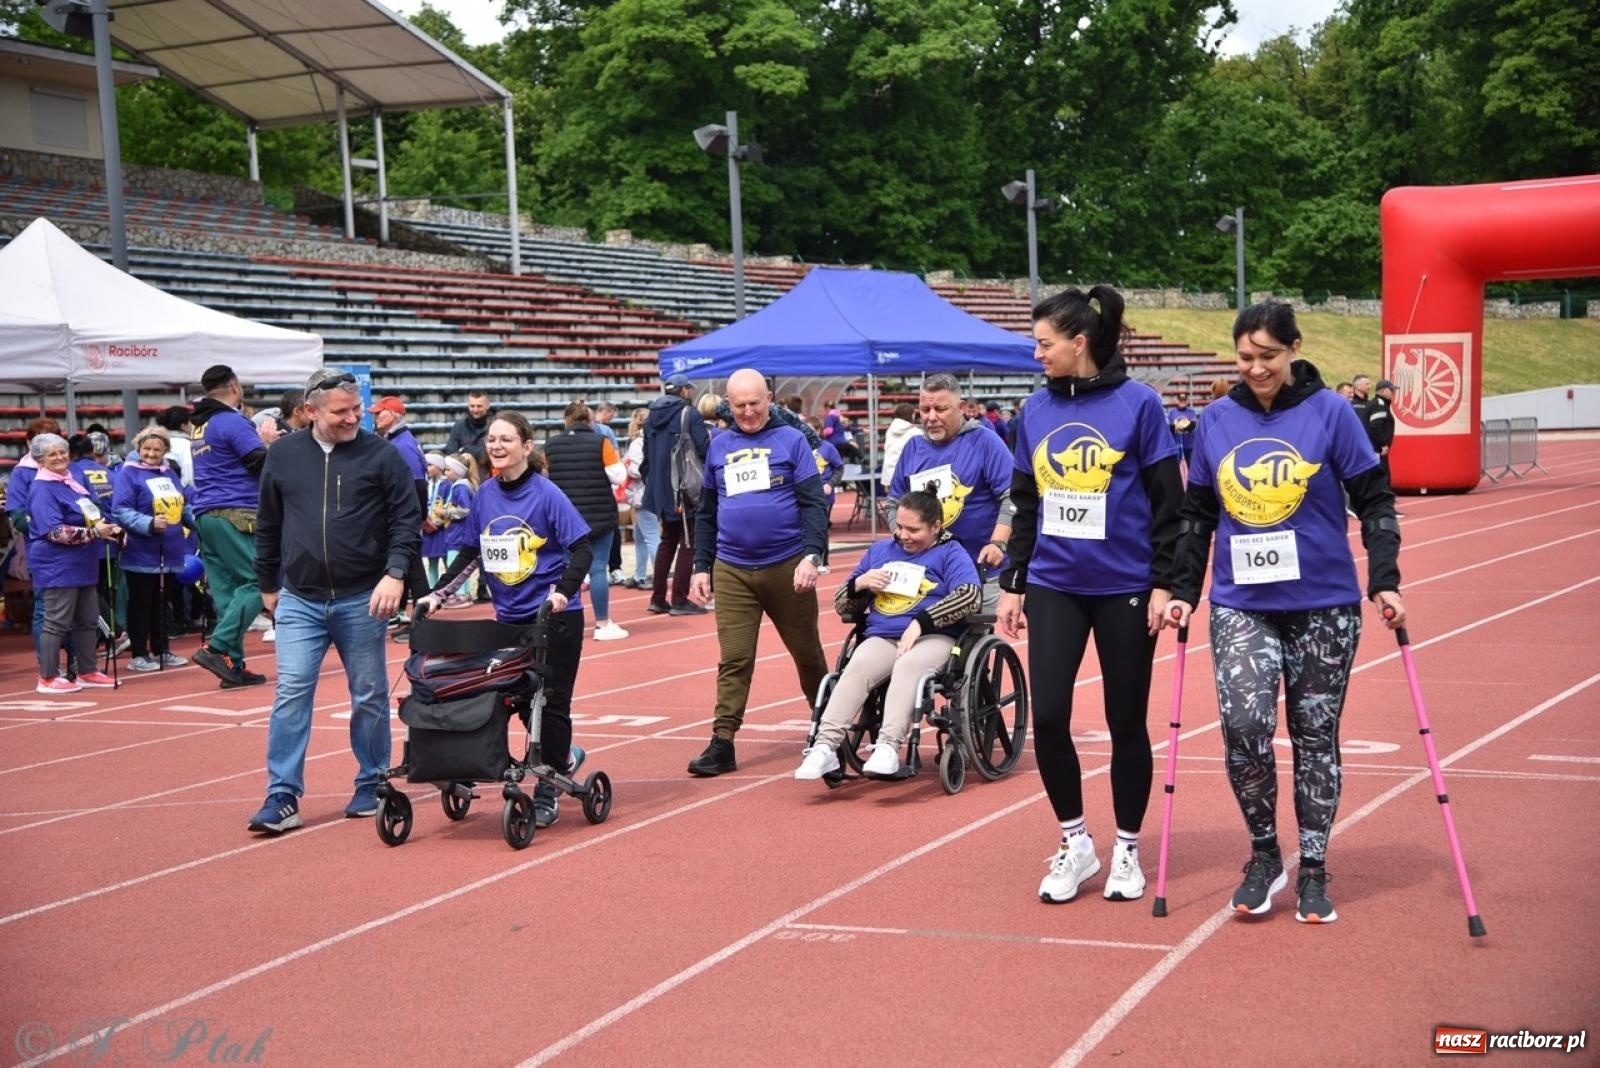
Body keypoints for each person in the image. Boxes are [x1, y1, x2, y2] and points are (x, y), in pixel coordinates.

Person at [1167, 301, 1404, 924]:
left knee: (1313, 736)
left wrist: (1385, 579)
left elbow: (1375, 500)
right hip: (1242, 603)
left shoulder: (1331, 414)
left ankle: (1316, 864)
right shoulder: (1216, 420)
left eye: (1267, 357)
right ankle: (1265, 853)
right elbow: (1196, 515)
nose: (1255, 369)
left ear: (1293, 349)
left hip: (1323, 605)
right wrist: (1181, 592)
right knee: (1244, 727)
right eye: (1245, 358)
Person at [997, 285, 1183, 906]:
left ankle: (1128, 847)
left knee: (1124, 719)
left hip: (1126, 587)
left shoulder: (1139, 405)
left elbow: (1168, 503)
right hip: (1054, 583)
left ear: (1079, 344)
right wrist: (1013, 581)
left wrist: (1165, 581)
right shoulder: (1034, 412)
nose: (1037, 355)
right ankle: (1077, 842)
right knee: (1047, 716)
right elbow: (1027, 503)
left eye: (1045, 345)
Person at [246, 369, 423, 834]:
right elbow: (268, 520)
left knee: (368, 694)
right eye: (340, 412)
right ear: (310, 412)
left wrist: (395, 574)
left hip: (363, 596)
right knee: (291, 693)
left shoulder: (380, 454)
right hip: (300, 598)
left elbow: (407, 518)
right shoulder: (283, 455)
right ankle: (282, 795)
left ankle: (371, 781)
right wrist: (267, 582)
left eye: (356, 409)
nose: (352, 418)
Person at [419, 412, 594, 828]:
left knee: (549, 703)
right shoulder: (484, 496)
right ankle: (564, 757)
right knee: (513, 698)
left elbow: (582, 548)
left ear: (527, 447)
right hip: (509, 618)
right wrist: (437, 593)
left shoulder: (547, 494)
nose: (497, 446)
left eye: (507, 440)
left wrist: (561, 592)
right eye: (493, 440)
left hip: (556, 618)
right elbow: (471, 553)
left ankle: (548, 784)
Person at [686, 368, 830, 777]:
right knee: (734, 658)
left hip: (787, 566)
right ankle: (723, 741)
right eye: (739, 405)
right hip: (732, 569)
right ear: (726, 405)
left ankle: (827, 729)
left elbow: (813, 505)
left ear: (769, 398)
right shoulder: (717, 446)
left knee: (807, 654)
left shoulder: (792, 440)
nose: (748, 412)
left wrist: (812, 556)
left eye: (755, 403)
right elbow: (707, 512)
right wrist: (701, 565)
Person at [795, 490, 981, 780]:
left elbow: (969, 595)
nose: (904, 535)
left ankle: (888, 746)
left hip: (932, 637)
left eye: (913, 529)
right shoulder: (880, 552)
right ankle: (824, 747)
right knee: (857, 666)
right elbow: (841, 603)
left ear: (935, 527)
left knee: (908, 666)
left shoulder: (950, 552)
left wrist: (922, 621)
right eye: (900, 527)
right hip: (883, 636)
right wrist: (860, 584)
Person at [888, 374, 1014, 611]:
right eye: (925, 409)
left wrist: (998, 544)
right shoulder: (913, 447)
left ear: (961, 408)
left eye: (940, 409)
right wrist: (899, 532)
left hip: (979, 570)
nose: (931, 417)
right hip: (926, 571)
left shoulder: (985, 442)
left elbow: (1012, 496)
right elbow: (894, 499)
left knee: (971, 641)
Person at [189, 364, 269, 688]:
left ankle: (231, 664)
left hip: (206, 514)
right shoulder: (233, 421)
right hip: (236, 512)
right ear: (235, 386)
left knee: (227, 592)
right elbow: (258, 462)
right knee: (257, 581)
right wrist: (269, 444)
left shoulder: (200, 426)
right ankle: (218, 647)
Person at [25, 433, 121, 693]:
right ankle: (47, 677)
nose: (59, 457)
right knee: (56, 622)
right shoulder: (42, 488)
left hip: (83, 562)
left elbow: (92, 515)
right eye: (52, 454)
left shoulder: (72, 481)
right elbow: (53, 532)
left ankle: (87, 671)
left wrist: (107, 528)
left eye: (62, 452)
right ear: (40, 460)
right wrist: (93, 533)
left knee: (88, 619)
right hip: (58, 565)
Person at [543, 400, 629, 641]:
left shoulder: (551, 445)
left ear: (566, 420)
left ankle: (563, 621)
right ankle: (602, 623)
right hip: (599, 514)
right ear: (589, 421)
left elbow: (544, 476)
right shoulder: (600, 442)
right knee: (598, 568)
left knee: (566, 570)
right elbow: (619, 475)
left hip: (565, 517)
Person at [112, 426, 192, 672]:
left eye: (157, 449)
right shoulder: (129, 474)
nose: (151, 453)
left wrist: (197, 521)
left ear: (165, 451)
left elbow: (182, 506)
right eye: (147, 448)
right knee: (141, 603)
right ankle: (139, 653)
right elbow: (121, 510)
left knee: (162, 602)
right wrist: (148, 523)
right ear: (138, 448)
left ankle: (162, 649)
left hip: (170, 550)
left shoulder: (169, 474)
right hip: (141, 550)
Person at [641, 373, 710, 616]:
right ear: (682, 391)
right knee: (689, 542)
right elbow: (704, 449)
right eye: (688, 389)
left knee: (668, 541)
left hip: (659, 488)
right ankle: (679, 598)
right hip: (684, 487)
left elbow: (646, 457)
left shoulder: (650, 418)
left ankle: (658, 597)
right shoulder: (689, 414)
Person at [621, 407, 659, 590]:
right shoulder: (656, 438)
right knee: (641, 536)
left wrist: (625, 468)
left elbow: (637, 470)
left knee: (650, 535)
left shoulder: (638, 443)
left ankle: (658, 575)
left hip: (643, 493)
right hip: (650, 491)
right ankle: (640, 573)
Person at [445, 389, 494, 469]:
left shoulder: (496, 426)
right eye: (472, 406)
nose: (475, 410)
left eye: (479, 406)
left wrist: (466, 449)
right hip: (465, 474)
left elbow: (492, 454)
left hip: (490, 474)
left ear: (487, 406)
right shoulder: (459, 426)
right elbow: (450, 452)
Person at [879, 402, 921, 493]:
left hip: (889, 476)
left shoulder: (889, 430)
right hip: (906, 476)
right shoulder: (915, 433)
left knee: (893, 505)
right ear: (912, 415)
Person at [1367, 378, 1396, 480]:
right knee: (1382, 479)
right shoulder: (1379, 405)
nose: (1393, 393)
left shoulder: (1378, 403)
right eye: (1391, 390)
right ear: (1383, 391)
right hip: (1377, 450)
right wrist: (1383, 444)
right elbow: (1375, 426)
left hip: (1375, 449)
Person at [1168, 391, 1199, 467]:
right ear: (1177, 401)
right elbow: (1170, 427)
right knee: (1176, 467)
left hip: (1189, 445)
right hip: (1177, 445)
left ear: (1187, 401)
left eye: (1184, 400)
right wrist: (1184, 426)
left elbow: (1192, 426)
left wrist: (1179, 427)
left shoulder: (1191, 412)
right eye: (1181, 400)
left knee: (1190, 466)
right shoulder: (1172, 412)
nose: (1182, 402)